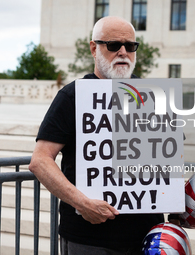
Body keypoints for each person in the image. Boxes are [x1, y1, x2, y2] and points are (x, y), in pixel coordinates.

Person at [29, 16, 167, 255]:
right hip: (90, 240)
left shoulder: (153, 96)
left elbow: (166, 159)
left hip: (149, 239)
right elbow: (40, 161)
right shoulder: (72, 96)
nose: (123, 52)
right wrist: (82, 203)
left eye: (130, 46)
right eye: (113, 45)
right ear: (94, 48)